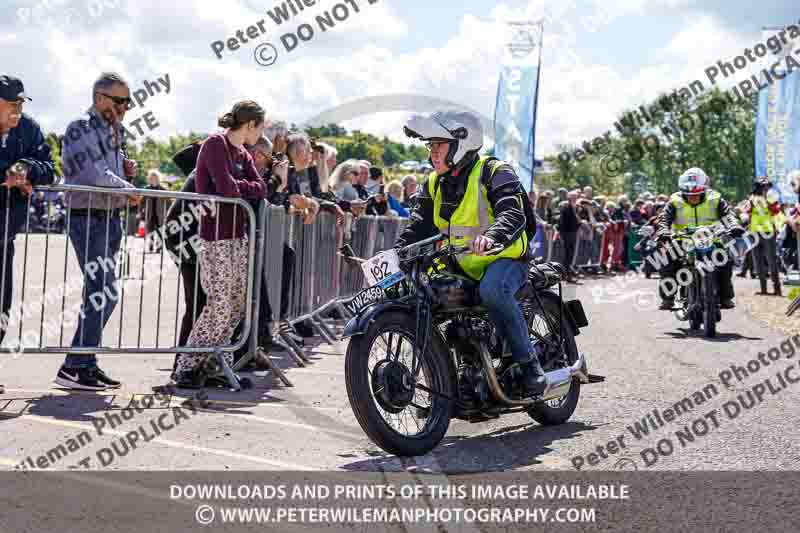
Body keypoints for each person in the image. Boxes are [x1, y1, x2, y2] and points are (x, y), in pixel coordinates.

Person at [396, 110, 546, 398]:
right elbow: (416, 228)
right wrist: (395, 254)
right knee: (426, 293)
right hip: (462, 264)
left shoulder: (495, 171)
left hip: (506, 258)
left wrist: (492, 236)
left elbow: (512, 213)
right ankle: (459, 371)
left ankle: (530, 366)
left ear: (462, 143)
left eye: (440, 144)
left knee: (493, 291)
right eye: (430, 145)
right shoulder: (433, 183)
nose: (433, 152)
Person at [172, 100, 267, 388]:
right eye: (260, 127)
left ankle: (214, 363)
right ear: (249, 125)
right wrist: (241, 188)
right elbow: (226, 188)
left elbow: (260, 188)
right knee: (219, 303)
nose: (260, 134)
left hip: (238, 236)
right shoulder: (215, 144)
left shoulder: (243, 153)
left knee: (237, 303)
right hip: (215, 238)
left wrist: (239, 187)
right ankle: (187, 366)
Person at [57, 72, 141, 390]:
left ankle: (81, 362)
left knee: (102, 293)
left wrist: (126, 170)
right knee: (103, 292)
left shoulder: (114, 131)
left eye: (128, 102)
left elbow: (110, 172)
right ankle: (77, 364)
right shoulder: (80, 128)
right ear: (99, 98)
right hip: (88, 218)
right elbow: (95, 174)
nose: (124, 108)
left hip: (108, 218)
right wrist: (127, 187)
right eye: (120, 101)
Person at [0, 75, 56, 352]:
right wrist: (7, 172)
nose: (18, 110)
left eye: (21, 104)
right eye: (12, 104)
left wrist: (27, 168)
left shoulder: (29, 128)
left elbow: (49, 167)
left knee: (2, 310)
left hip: (4, 236)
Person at [657, 167, 741, 310]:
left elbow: (729, 215)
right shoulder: (675, 200)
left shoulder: (715, 199)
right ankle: (668, 298)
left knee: (725, 261)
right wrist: (663, 230)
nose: (692, 197)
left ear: (704, 190)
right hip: (683, 239)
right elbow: (664, 218)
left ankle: (725, 297)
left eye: (697, 194)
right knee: (666, 261)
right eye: (688, 194)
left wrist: (734, 225)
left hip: (711, 239)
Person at [741, 177, 783, 295]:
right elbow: (746, 212)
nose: (766, 188)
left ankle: (777, 288)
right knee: (758, 262)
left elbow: (776, 211)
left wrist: (767, 201)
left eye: (768, 186)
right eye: (764, 186)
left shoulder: (771, 198)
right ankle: (763, 289)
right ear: (758, 187)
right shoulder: (751, 198)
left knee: (771, 260)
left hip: (768, 232)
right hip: (754, 232)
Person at [555, 190, 581, 281]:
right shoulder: (565, 207)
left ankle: (567, 273)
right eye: (572, 197)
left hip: (572, 234)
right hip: (566, 234)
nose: (574, 199)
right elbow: (562, 222)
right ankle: (565, 274)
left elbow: (576, 221)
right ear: (569, 198)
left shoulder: (576, 208)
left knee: (570, 255)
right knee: (566, 255)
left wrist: (579, 224)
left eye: (575, 197)